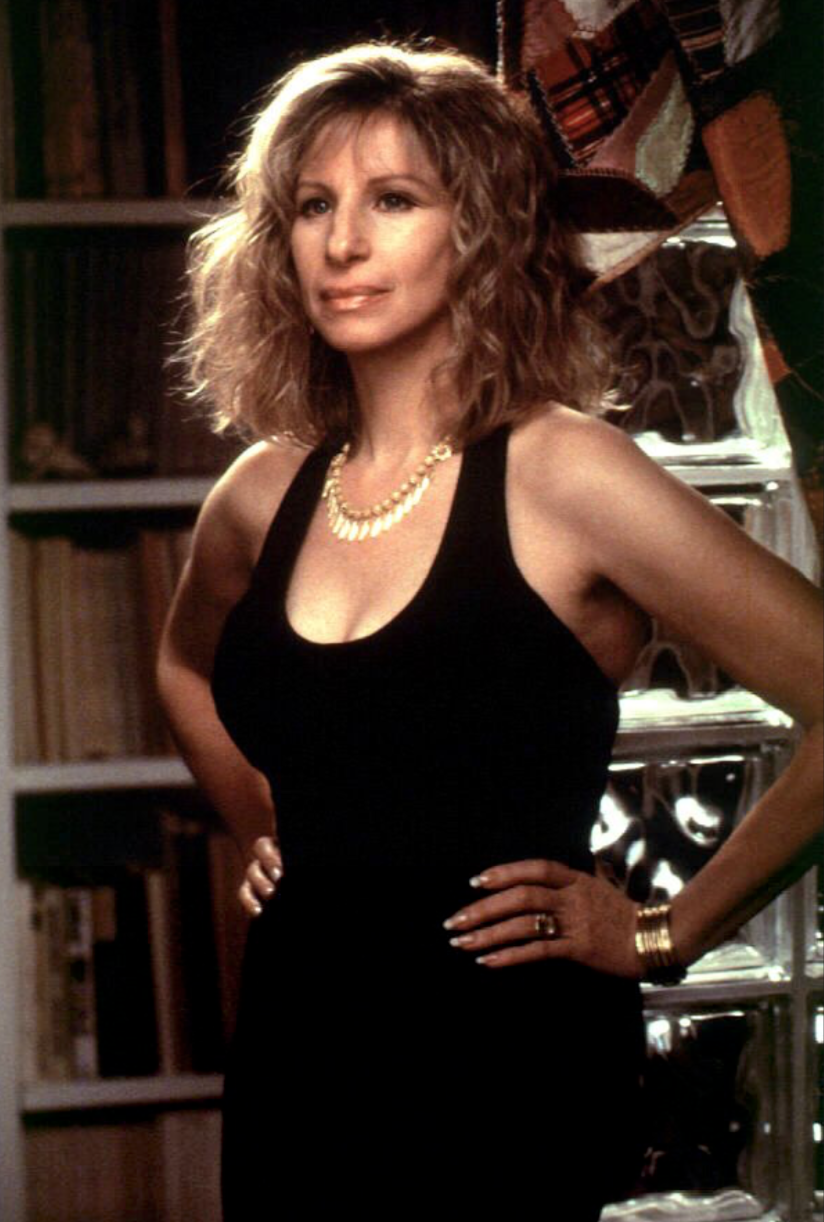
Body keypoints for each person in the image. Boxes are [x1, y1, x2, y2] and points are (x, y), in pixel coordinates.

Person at [156, 41, 823, 1220]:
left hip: (505, 1061)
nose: (341, 243)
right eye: (311, 205)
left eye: (392, 200)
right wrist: (260, 817)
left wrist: (665, 930)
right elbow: (180, 664)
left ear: (479, 231)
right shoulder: (261, 491)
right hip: (296, 1051)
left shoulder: (567, 471)